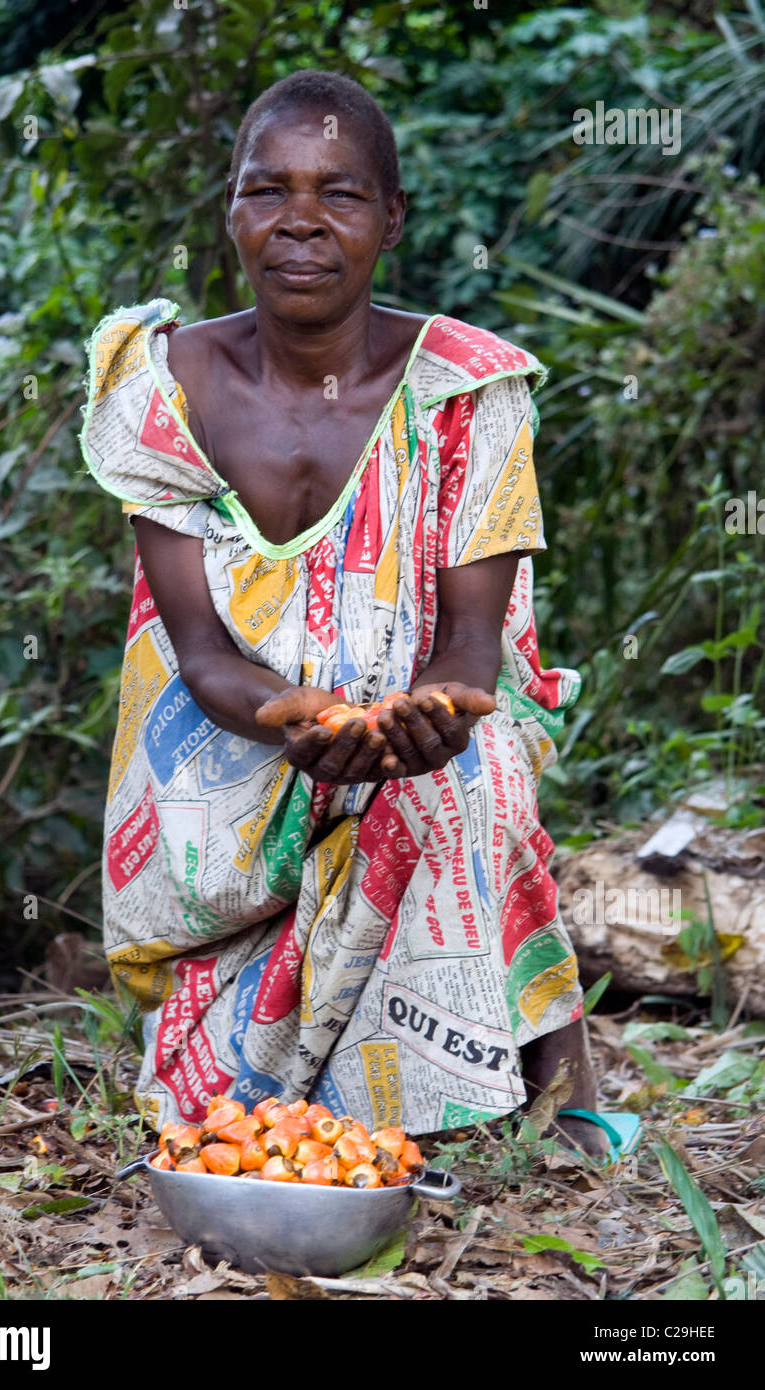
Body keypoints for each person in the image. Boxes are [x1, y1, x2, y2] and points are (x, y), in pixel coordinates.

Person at [79, 69, 606, 1156]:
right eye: (265, 189)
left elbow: (469, 649)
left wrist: (433, 721)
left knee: (473, 774)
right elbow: (199, 653)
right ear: (229, 212)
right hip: (230, 762)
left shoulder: (466, 391)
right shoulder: (164, 386)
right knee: (213, 1112)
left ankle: (474, 1099)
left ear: (392, 217)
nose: (301, 221)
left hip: (421, 735)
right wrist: (298, 718)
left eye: (342, 193)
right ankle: (290, 1057)